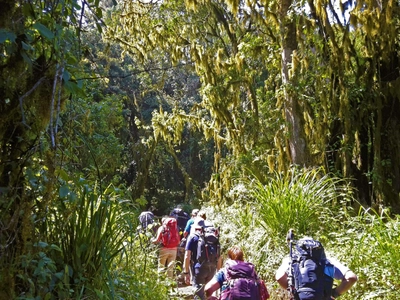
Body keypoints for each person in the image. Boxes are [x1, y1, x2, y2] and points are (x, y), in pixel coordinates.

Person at [275, 237, 358, 299]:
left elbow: (279, 277)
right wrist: (334, 293)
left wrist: (295, 292)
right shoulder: (327, 261)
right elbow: (351, 278)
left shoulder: (292, 260)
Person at [204, 245, 269, 300]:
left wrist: (211, 297)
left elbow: (208, 289)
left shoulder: (225, 271)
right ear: (242, 257)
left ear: (229, 257)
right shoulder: (251, 271)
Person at [182, 219, 222, 299]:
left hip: (198, 269)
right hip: (212, 269)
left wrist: (186, 272)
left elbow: (187, 256)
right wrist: (219, 272)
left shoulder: (192, 236)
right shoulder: (214, 237)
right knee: (208, 294)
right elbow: (219, 256)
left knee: (199, 294)